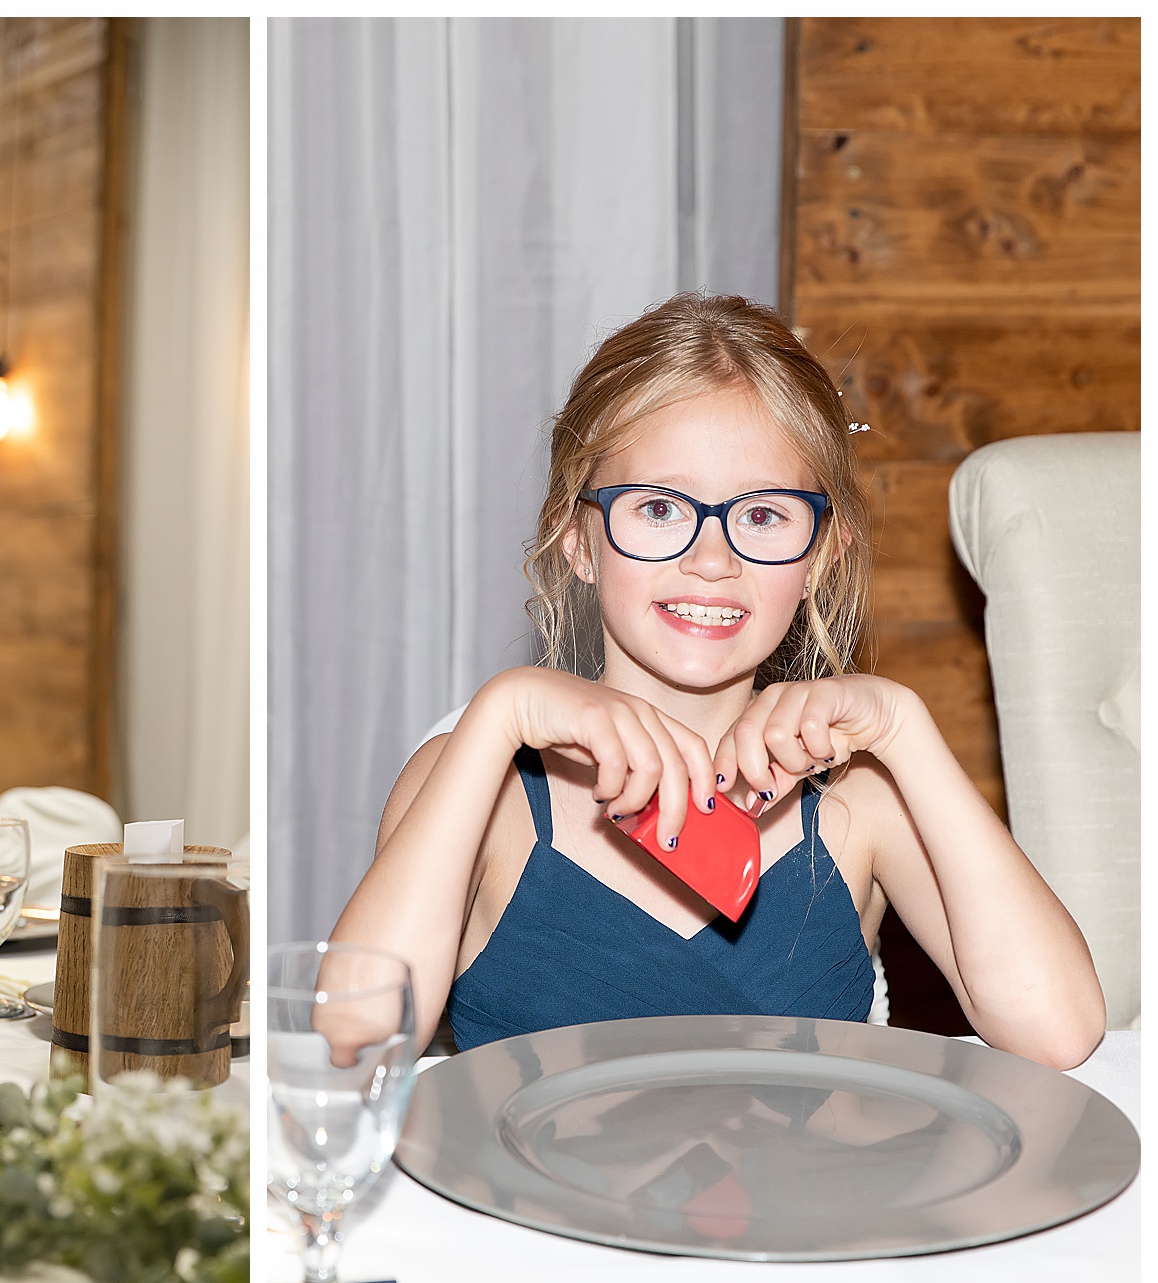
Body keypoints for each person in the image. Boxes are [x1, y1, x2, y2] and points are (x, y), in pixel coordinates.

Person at [329, 293, 1104, 1071]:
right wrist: (499, 713)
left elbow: (1060, 1029)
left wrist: (904, 727)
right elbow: (354, 1037)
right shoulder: (480, 785)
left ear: (820, 558)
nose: (712, 558)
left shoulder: (862, 800)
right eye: (661, 507)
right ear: (580, 542)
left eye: (763, 517)